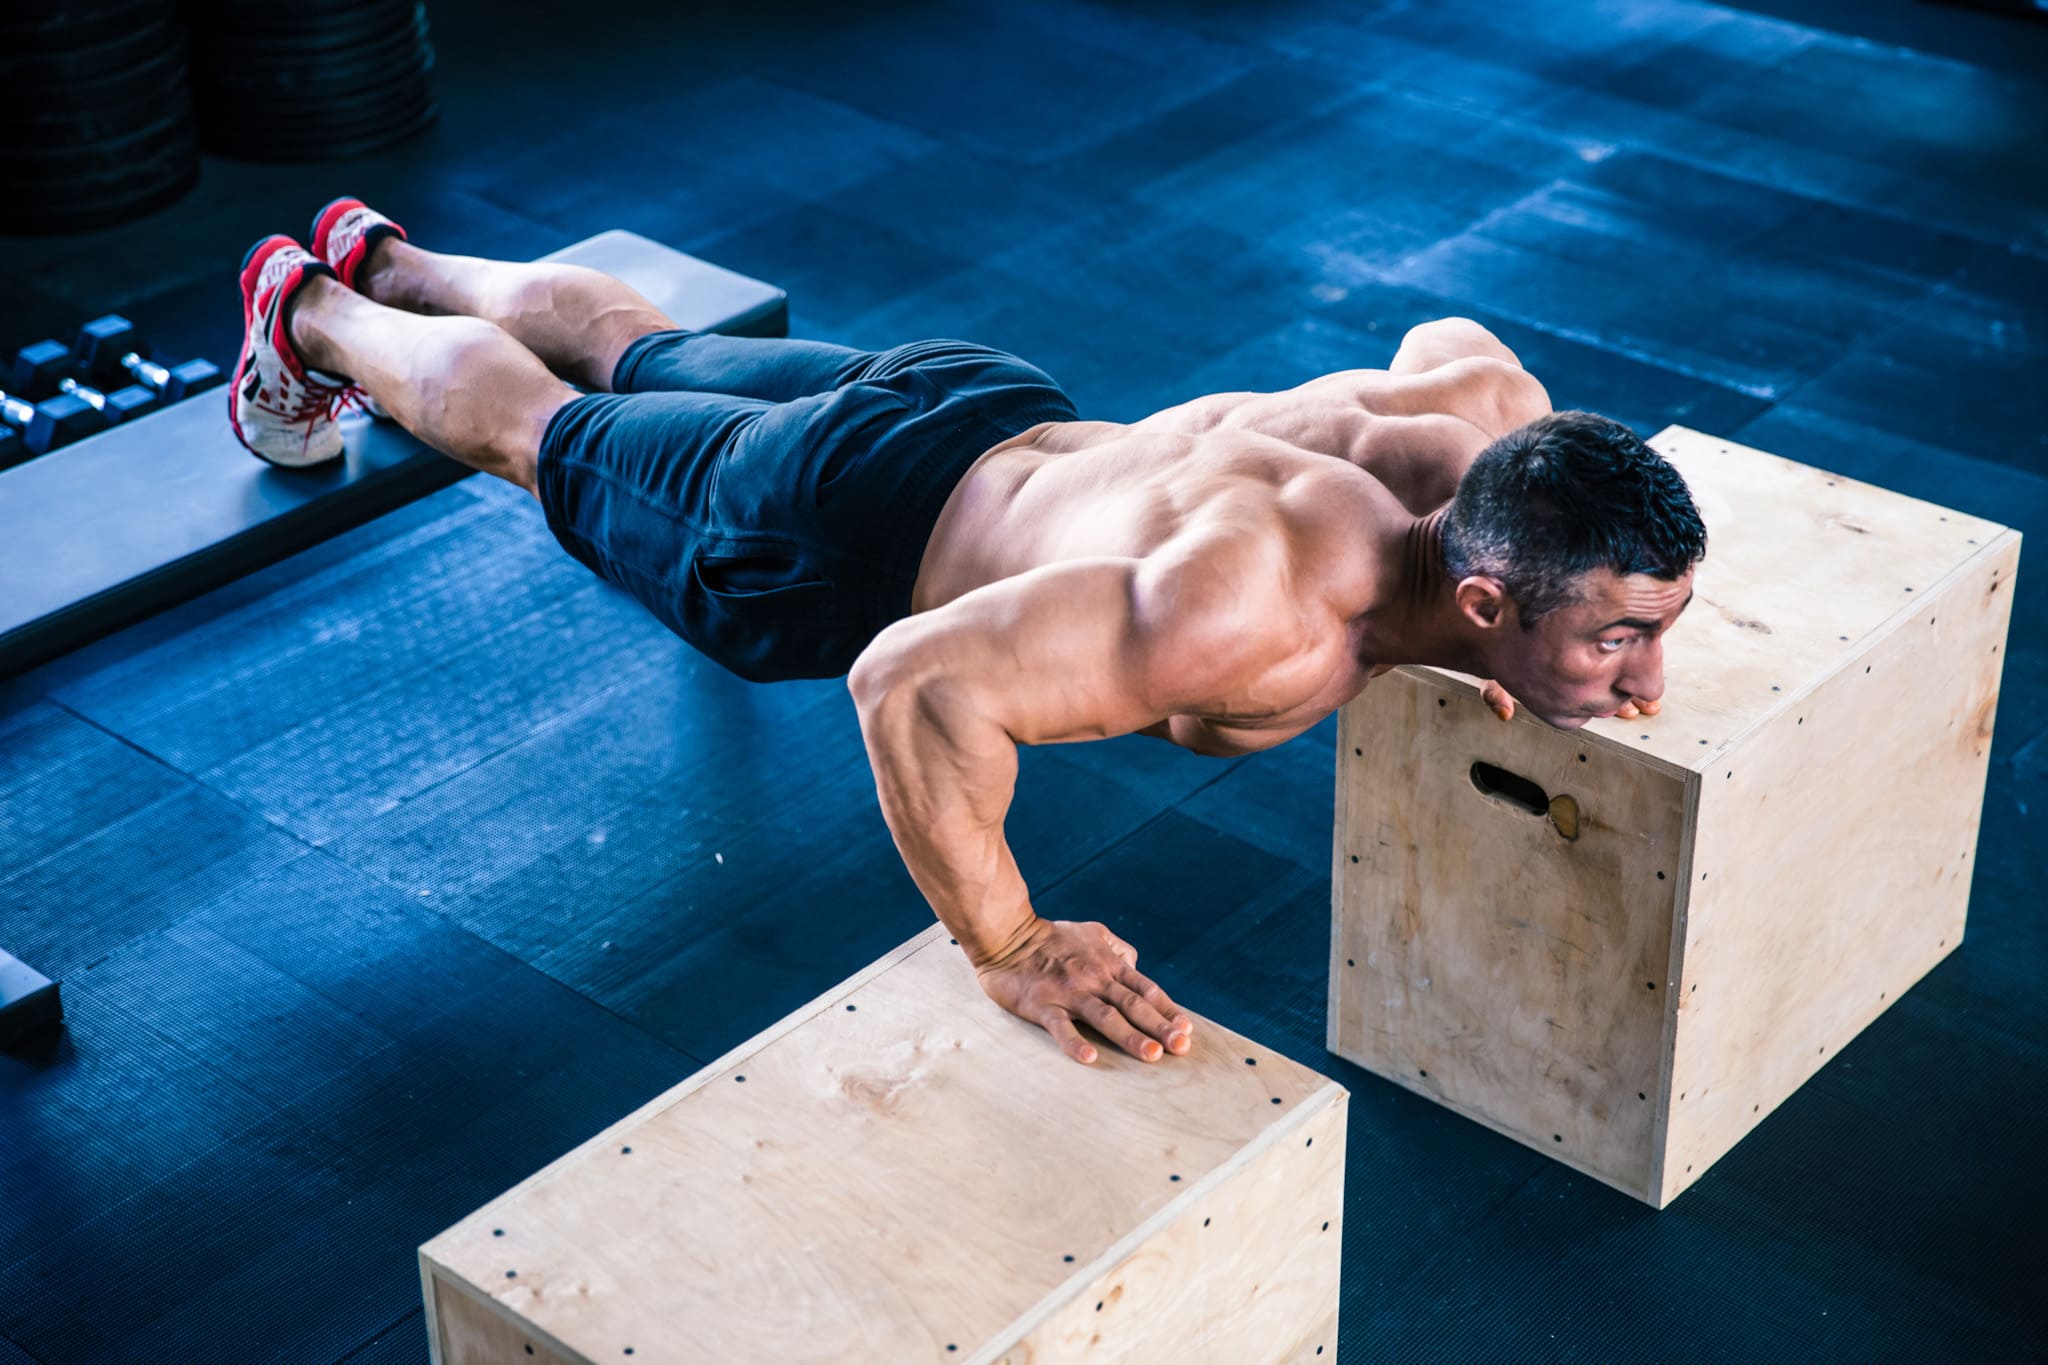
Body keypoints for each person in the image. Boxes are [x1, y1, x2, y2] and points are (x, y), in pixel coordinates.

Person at [230, 200, 1707, 1069]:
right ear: (1485, 599)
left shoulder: (1487, 426)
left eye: (1646, 635)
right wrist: (1010, 940)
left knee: (645, 351)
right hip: (826, 539)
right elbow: (914, 678)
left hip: (980, 404)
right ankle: (313, 317)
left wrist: (1545, 644)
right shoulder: (1250, 616)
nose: (1643, 679)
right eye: (1616, 642)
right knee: (542, 428)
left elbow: (1455, 335)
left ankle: (392, 256)